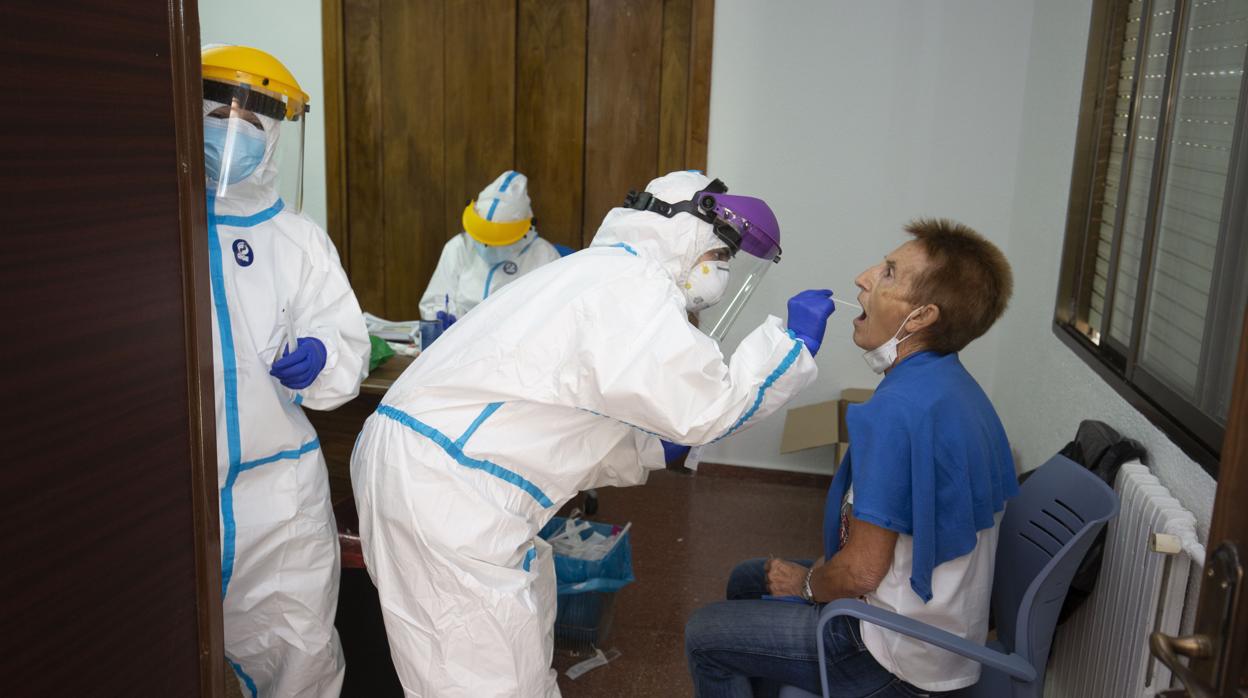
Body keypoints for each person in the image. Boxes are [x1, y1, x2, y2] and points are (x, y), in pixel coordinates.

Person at [351, 171, 838, 697]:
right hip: (450, 492)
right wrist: (792, 347)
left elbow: (567, 414)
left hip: (437, 469)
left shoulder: (598, 273)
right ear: (686, 233)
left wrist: (651, 448)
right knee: (479, 678)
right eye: (720, 257)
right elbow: (709, 409)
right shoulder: (634, 291)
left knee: (503, 649)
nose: (720, 273)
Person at [684, 219, 1018, 698]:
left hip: (891, 658)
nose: (863, 277)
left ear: (921, 317)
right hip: (942, 636)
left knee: (705, 634)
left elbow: (861, 572)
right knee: (746, 578)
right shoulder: (953, 388)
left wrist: (807, 584)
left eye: (887, 274)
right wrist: (820, 575)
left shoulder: (897, 411)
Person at [202, 45, 370, 697]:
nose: (233, 127)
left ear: (276, 134)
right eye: (218, 110)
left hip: (281, 494)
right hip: (182, 493)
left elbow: (345, 345)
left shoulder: (297, 239)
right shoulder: (150, 228)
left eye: (253, 117)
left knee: (298, 648)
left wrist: (324, 355)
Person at [419, 170, 562, 327]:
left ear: (522, 234)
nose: (487, 247)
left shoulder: (544, 258)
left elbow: (551, 316)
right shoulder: (459, 247)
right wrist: (447, 318)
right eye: (481, 238)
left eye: (497, 241)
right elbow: (434, 300)